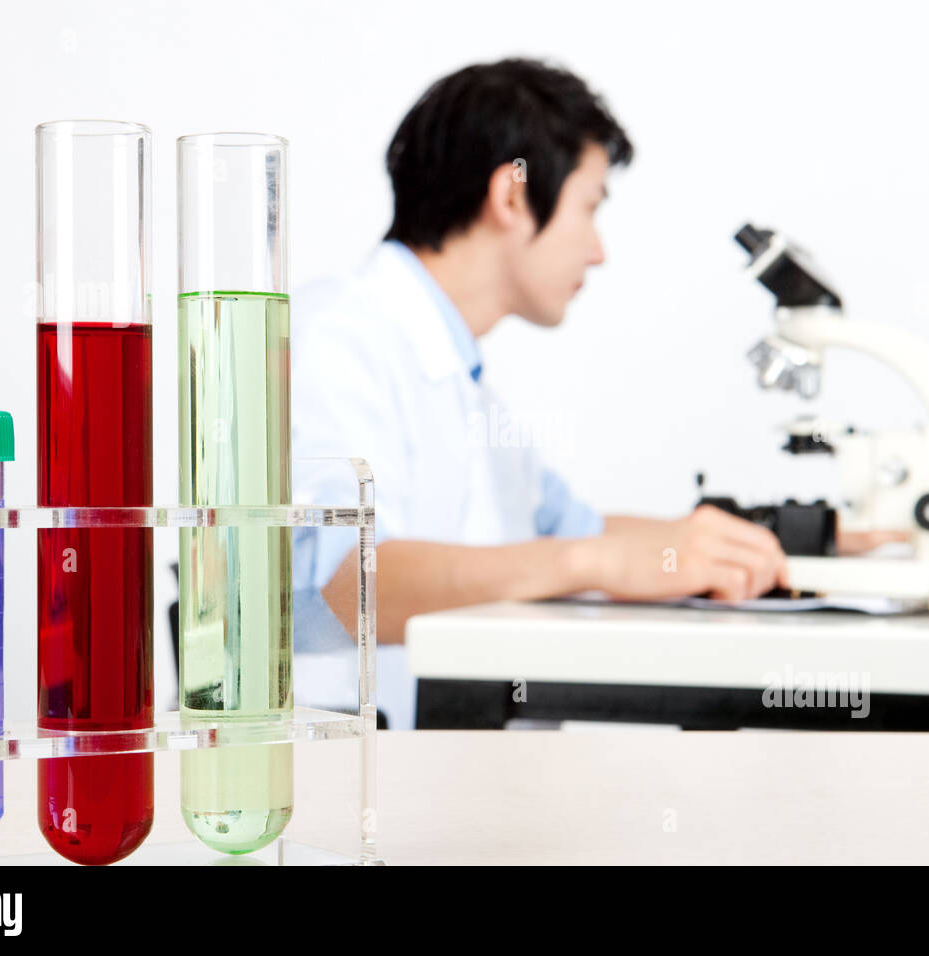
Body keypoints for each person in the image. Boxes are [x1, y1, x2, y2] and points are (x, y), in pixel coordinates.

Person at [291, 58, 788, 728]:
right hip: (365, 792)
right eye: (589, 209)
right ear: (513, 196)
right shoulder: (336, 343)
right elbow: (350, 584)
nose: (598, 251)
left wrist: (755, 542)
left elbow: (566, 529)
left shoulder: (460, 381)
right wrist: (597, 559)